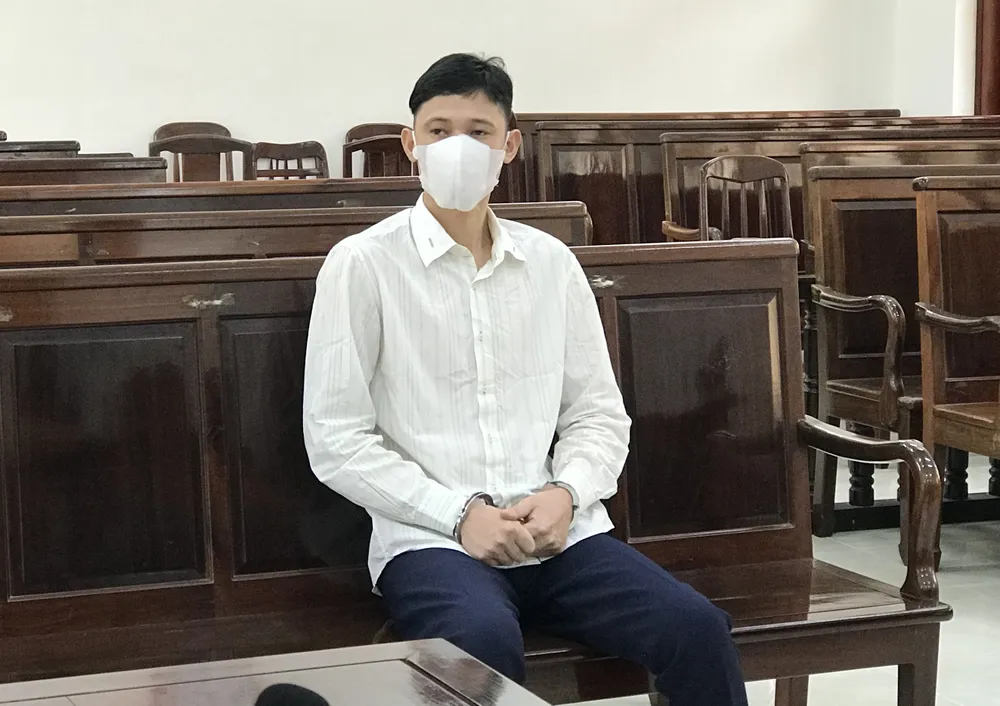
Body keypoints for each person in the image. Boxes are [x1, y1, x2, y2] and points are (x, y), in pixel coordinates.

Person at [302, 52, 749, 706]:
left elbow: (596, 413)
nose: (457, 147)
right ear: (410, 144)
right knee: (479, 647)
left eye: (478, 132)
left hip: (557, 534)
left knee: (696, 629)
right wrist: (460, 515)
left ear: (509, 147)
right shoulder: (362, 265)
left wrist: (567, 493)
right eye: (438, 130)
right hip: (431, 540)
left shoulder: (549, 263)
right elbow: (336, 438)